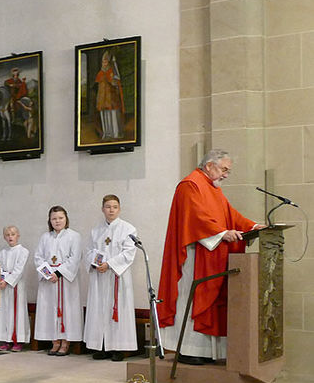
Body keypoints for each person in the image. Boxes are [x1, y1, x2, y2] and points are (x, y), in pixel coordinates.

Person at [158, 149, 263, 364]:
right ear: (209, 166)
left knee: (210, 302)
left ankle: (205, 352)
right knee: (193, 297)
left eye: (228, 171)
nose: (226, 175)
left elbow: (230, 214)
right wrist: (222, 233)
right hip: (193, 256)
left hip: (211, 254)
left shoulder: (212, 188)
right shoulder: (190, 185)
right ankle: (188, 350)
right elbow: (195, 218)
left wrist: (252, 226)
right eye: (224, 169)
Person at [83, 195, 137, 361]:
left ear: (119, 209)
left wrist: (109, 264)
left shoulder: (128, 229)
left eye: (114, 207)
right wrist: (95, 263)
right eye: (108, 206)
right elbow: (89, 251)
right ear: (102, 209)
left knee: (117, 309)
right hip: (100, 277)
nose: (111, 210)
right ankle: (102, 346)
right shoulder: (95, 230)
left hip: (116, 276)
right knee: (99, 310)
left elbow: (129, 252)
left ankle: (118, 349)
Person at [34, 205, 83, 356]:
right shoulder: (45, 237)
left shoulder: (74, 236)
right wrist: (48, 274)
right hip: (49, 281)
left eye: (60, 218)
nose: (57, 221)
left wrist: (59, 273)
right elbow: (38, 257)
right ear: (49, 220)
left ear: (66, 219)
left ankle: (66, 341)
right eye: (54, 218)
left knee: (67, 309)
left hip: (66, 281)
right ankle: (54, 341)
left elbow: (74, 259)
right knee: (49, 309)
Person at [0, 225, 29, 352]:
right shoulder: (2, 252)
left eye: (13, 234)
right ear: (4, 237)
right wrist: (1, 279)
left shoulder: (23, 251)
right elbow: (0, 268)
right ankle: (6, 340)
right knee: (5, 312)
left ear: (18, 236)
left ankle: (18, 340)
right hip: (4, 286)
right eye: (7, 235)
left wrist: (8, 281)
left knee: (17, 311)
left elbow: (19, 270)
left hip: (16, 287)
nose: (10, 237)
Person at [94, 51, 124, 140]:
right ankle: (106, 133)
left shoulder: (112, 71)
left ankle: (115, 133)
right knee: (104, 115)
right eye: (103, 62)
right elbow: (98, 84)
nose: (104, 64)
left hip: (111, 98)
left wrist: (113, 80)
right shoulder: (100, 73)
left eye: (106, 62)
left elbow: (116, 82)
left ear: (109, 62)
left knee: (113, 114)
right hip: (103, 99)